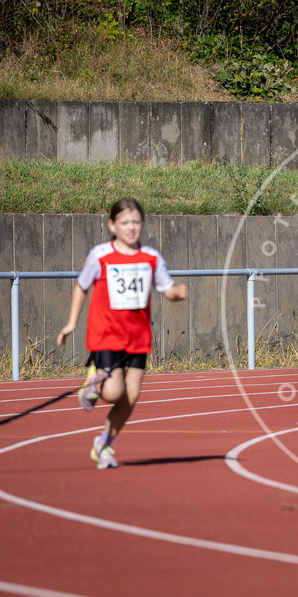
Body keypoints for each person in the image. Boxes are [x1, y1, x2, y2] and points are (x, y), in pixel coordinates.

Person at [57, 198, 188, 468]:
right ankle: (94, 381)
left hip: (138, 337)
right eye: (125, 222)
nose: (131, 228)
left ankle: (103, 445)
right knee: (113, 393)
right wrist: (71, 323)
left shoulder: (151, 257)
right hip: (106, 334)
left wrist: (176, 294)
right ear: (112, 225)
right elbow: (81, 287)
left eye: (136, 222)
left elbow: (166, 288)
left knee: (132, 396)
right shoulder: (100, 255)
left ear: (143, 224)